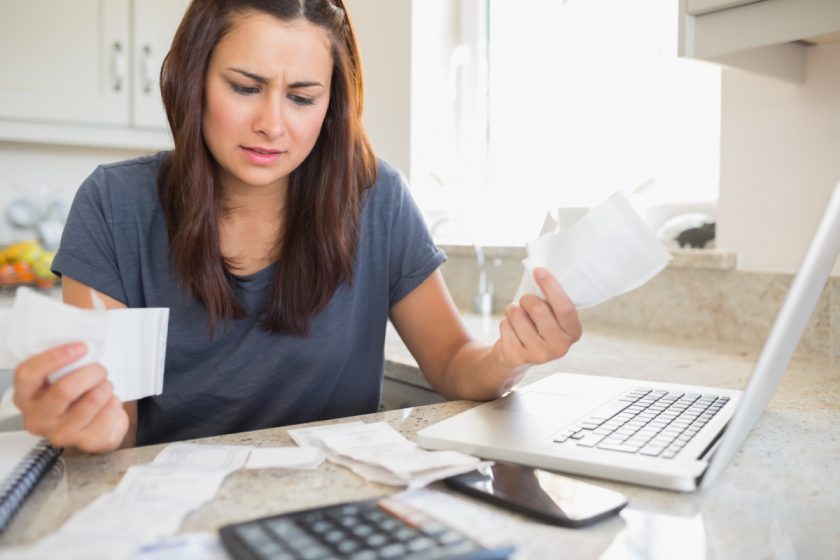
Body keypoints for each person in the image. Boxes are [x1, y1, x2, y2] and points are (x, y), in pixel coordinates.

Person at [13, 0, 582, 454]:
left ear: (331, 103)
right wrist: (86, 424)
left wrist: (510, 358)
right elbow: (119, 432)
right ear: (193, 79)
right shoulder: (116, 204)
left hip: (332, 510)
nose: (271, 125)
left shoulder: (376, 197)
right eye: (244, 87)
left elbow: (457, 365)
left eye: (303, 97)